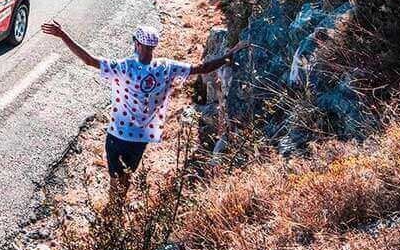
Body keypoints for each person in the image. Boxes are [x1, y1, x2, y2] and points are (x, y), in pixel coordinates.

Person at [41, 20, 247, 204]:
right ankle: (119, 204)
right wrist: (228, 56)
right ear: (153, 46)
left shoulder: (124, 67)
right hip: (142, 137)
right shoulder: (166, 67)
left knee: (115, 177)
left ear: (137, 44)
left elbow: (89, 60)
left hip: (118, 134)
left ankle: (114, 210)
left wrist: (63, 35)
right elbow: (201, 68)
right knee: (127, 175)